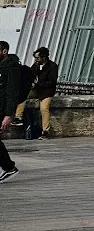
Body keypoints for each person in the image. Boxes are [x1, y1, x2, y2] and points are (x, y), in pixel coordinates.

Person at [0, 41, 24, 183]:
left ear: (4, 51)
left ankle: (9, 167)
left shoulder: (12, 68)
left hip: (2, 109)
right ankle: (8, 167)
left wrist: (8, 115)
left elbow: (12, 93)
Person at [28, 46, 58, 139]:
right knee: (22, 96)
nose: (35, 60)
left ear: (43, 58)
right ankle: (18, 117)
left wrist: (38, 84)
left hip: (47, 91)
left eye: (37, 58)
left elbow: (52, 82)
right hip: (37, 89)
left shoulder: (52, 66)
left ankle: (45, 131)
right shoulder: (36, 65)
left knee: (44, 108)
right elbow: (31, 75)